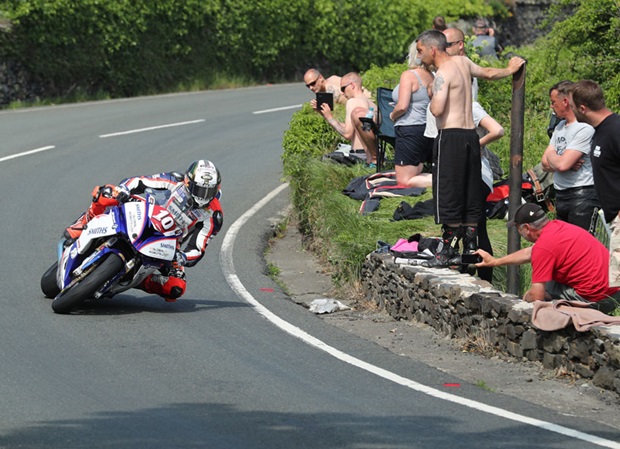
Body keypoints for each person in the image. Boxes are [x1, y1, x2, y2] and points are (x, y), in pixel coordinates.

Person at [415, 29, 524, 266]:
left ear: (433, 49)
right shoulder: (463, 62)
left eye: (420, 51)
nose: (418, 56)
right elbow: (488, 73)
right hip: (470, 138)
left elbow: (437, 110)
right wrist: (509, 69)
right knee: (470, 192)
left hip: (450, 138)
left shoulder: (443, 73)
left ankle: (447, 251)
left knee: (449, 192)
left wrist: (432, 90)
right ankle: (471, 247)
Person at [64, 160, 224, 302]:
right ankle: (84, 222)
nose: (203, 196)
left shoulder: (213, 215)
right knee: (105, 193)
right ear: (188, 182)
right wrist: (122, 191)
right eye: (199, 189)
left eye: (208, 192)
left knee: (176, 287)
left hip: (169, 243)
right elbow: (138, 182)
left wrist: (182, 257)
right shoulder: (174, 180)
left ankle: (140, 279)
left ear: (216, 189)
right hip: (145, 214)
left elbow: (197, 248)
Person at [474, 203, 619, 313]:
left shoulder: (544, 247)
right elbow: (530, 252)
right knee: (549, 283)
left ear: (526, 228)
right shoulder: (558, 227)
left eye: (518, 229)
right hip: (614, 289)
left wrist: (525, 300)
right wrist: (494, 262)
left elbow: (537, 296)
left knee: (536, 299)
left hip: (598, 298)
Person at [569, 79, 620, 287]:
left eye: (572, 107)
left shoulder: (615, 130)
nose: (570, 112)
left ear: (583, 108)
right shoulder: (599, 132)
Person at [540, 81, 599, 230]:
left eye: (553, 102)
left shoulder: (584, 128)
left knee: (580, 246)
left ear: (565, 102)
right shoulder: (560, 127)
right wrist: (559, 159)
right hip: (561, 195)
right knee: (564, 245)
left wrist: (555, 157)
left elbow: (561, 164)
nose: (551, 106)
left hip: (582, 196)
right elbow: (544, 164)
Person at [388, 42, 434, 188]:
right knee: (415, 172)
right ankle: (446, 179)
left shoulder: (409, 75)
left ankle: (448, 181)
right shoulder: (432, 76)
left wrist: (392, 115)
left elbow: (402, 106)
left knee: (404, 181)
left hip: (409, 128)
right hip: (425, 129)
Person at [315, 72, 378, 167]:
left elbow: (347, 134)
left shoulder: (353, 102)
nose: (342, 93)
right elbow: (354, 130)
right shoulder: (373, 105)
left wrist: (330, 118)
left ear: (352, 85)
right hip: (374, 152)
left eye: (343, 88)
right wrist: (325, 115)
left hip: (360, 155)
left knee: (323, 162)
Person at [304, 68, 371, 105]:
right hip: (369, 100)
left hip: (367, 106)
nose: (311, 88)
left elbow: (331, 115)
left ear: (321, 77)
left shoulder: (329, 91)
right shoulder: (333, 78)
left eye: (313, 83)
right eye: (308, 86)